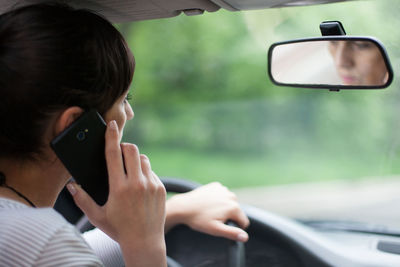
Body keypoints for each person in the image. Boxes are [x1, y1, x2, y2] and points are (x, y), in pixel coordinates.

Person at [0, 3, 249, 266]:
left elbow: (72, 251)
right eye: (123, 99)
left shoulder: (23, 232)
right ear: (74, 125)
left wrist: (164, 215)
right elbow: (52, 249)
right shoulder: (45, 242)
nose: (128, 114)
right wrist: (145, 245)